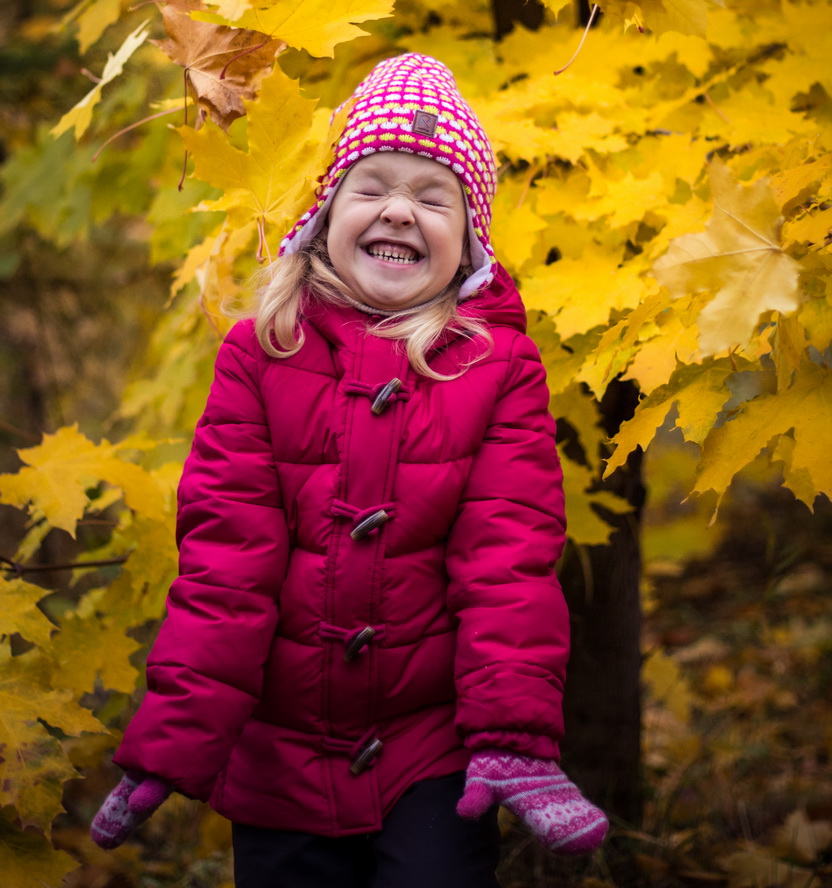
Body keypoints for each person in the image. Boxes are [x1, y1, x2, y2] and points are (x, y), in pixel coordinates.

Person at [90, 54, 608, 886]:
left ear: (468, 238)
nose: (401, 210)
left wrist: (513, 741)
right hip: (282, 753)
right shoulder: (263, 353)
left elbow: (509, 561)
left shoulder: (497, 367)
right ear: (327, 213)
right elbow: (227, 562)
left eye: (434, 198)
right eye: (372, 187)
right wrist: (175, 740)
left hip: (431, 749)